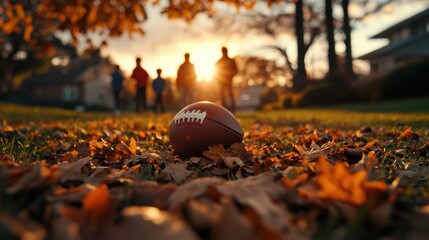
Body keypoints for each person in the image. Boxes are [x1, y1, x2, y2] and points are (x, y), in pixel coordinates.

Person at [214, 47, 238, 113]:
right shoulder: (219, 61)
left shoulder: (230, 60)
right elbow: (216, 72)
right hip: (222, 81)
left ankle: (233, 109)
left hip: (228, 80)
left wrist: (230, 76)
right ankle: (225, 110)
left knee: (229, 95)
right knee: (223, 96)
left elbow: (235, 70)